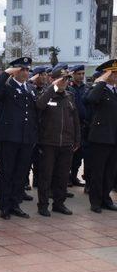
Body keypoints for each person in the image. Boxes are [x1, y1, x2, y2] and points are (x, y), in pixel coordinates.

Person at [0, 57, 38, 219]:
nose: (24, 72)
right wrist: (5, 74)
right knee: (6, 173)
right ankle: (5, 206)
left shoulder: (30, 88)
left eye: (26, 69)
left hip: (26, 138)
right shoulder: (7, 87)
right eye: (21, 69)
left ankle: (15, 204)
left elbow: (33, 113)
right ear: (14, 71)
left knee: (20, 173)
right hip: (9, 138)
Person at [35, 64, 80, 216]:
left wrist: (76, 139)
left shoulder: (70, 96)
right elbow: (39, 106)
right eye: (61, 79)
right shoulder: (46, 94)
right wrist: (52, 88)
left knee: (62, 176)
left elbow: (75, 119)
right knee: (46, 176)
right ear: (53, 80)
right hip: (49, 143)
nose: (64, 82)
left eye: (66, 79)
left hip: (66, 143)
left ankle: (59, 204)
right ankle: (42, 205)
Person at [83, 59, 117, 213]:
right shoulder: (99, 89)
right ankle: (95, 201)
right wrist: (102, 81)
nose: (115, 76)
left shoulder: (115, 91)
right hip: (101, 137)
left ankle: (106, 198)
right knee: (98, 171)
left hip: (114, 138)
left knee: (110, 172)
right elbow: (90, 100)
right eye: (113, 73)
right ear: (106, 74)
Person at [68, 65, 89, 187]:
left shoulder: (87, 88)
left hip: (83, 125)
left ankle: (74, 176)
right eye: (78, 74)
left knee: (79, 155)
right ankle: (67, 178)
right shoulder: (69, 88)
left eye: (82, 74)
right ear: (73, 74)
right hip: (71, 124)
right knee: (70, 154)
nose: (81, 76)